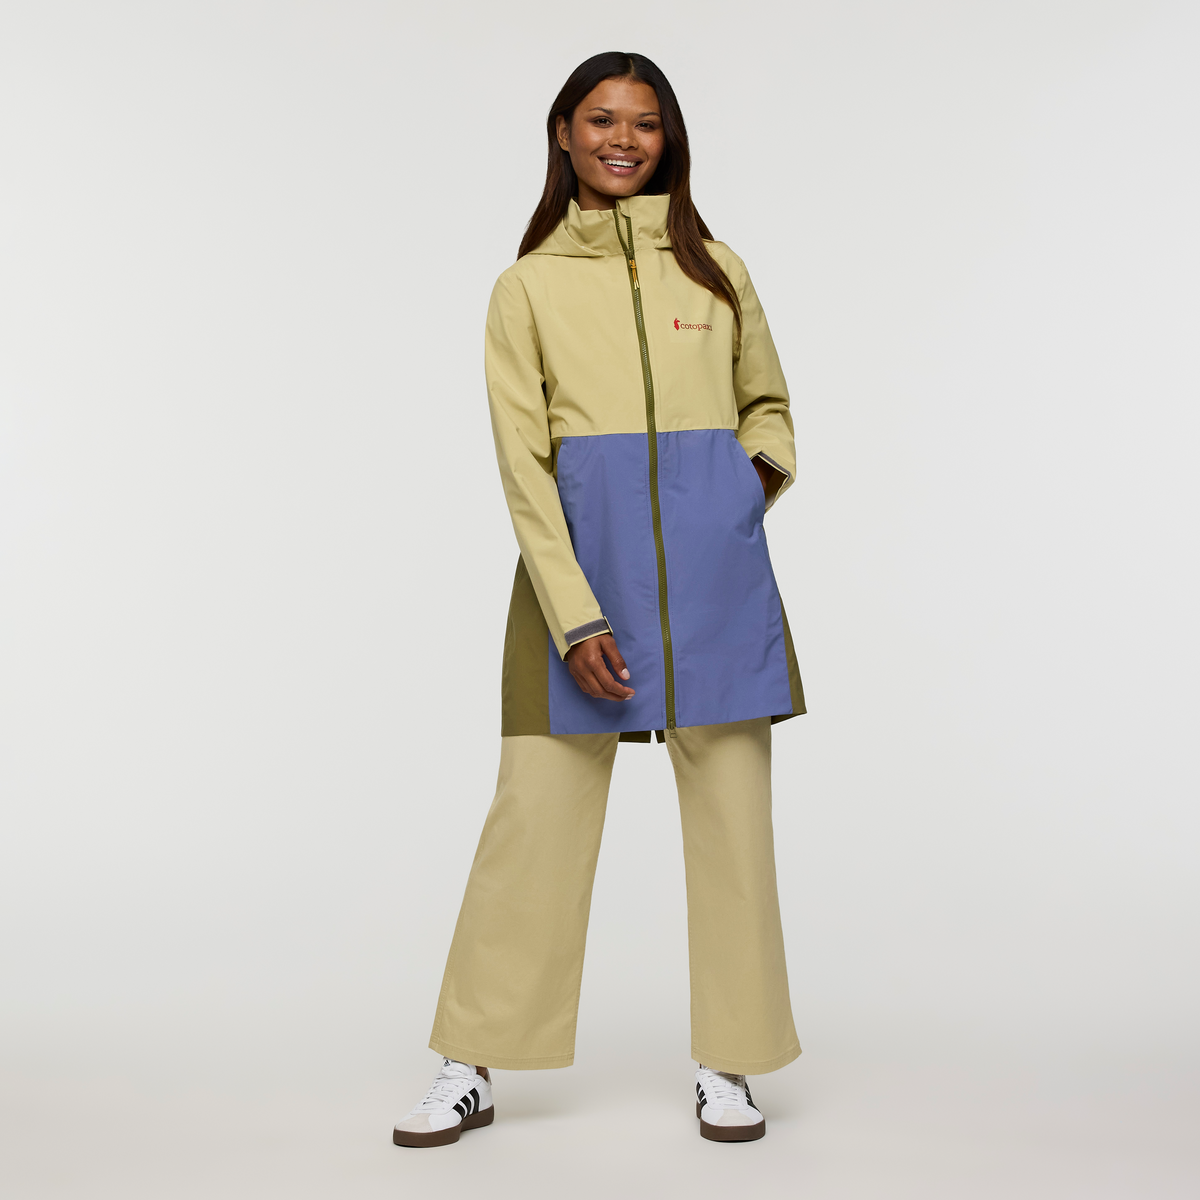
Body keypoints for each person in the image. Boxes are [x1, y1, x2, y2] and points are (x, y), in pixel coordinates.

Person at [393, 51, 805, 1148]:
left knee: (735, 832)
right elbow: (523, 467)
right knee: (532, 826)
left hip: (717, 591)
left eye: (645, 122)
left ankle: (730, 1063)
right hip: (574, 594)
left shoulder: (717, 270)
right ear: (565, 133)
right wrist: (576, 615)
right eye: (602, 119)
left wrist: (736, 497)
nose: (623, 139)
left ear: (669, 139)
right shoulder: (525, 287)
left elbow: (768, 407)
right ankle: (470, 1062)